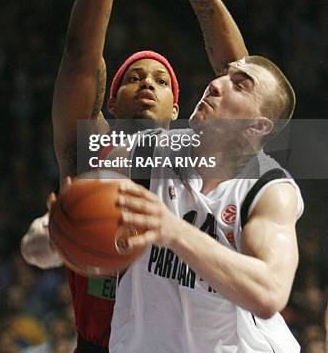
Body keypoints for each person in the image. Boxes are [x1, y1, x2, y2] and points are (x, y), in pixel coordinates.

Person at [21, 0, 247, 352]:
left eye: (161, 79)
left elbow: (245, 78)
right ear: (110, 101)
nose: (146, 83)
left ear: (179, 107)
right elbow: (80, 52)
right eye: (132, 78)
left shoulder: (196, 151)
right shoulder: (91, 150)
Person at [110, 55, 303, 353]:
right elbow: (81, 206)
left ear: (258, 125)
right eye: (224, 75)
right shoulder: (144, 152)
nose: (215, 84)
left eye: (239, 86)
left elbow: (269, 292)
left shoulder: (270, 190)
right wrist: (47, 236)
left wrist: (174, 231)